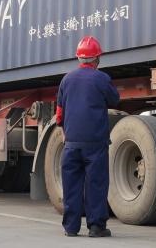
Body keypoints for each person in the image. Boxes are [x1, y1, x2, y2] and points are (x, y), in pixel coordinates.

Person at [56, 36, 120, 238]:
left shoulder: (66, 79)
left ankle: (70, 228)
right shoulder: (102, 78)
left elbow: (59, 113)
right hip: (95, 143)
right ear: (97, 58)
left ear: (79, 58)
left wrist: (64, 133)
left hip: (71, 143)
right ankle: (96, 227)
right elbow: (114, 99)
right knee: (96, 185)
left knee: (71, 186)